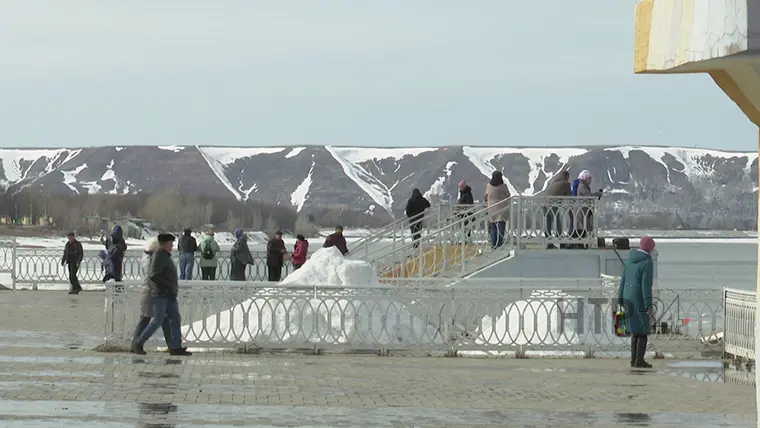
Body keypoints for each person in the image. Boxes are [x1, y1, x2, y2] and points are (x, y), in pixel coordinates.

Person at [133, 233, 191, 356]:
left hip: (169, 295)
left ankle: (175, 347)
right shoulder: (159, 256)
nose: (172, 246)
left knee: (175, 319)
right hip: (161, 294)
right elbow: (153, 275)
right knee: (157, 321)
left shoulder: (165, 255)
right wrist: (167, 285)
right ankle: (139, 343)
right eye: (171, 243)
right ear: (164, 244)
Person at [618, 235, 656, 369]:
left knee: (634, 330)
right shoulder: (647, 262)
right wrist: (648, 306)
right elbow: (646, 286)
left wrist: (620, 298)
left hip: (627, 297)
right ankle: (639, 360)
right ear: (650, 248)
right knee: (643, 331)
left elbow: (622, 280)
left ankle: (633, 359)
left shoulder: (630, 260)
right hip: (638, 298)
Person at [131, 238, 174, 353]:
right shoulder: (151, 260)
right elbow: (153, 276)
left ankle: (172, 345)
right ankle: (136, 344)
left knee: (162, 319)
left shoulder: (148, 258)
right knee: (146, 318)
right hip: (151, 291)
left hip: (152, 290)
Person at [574, 170, 603, 247]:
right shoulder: (583, 187)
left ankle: (582, 244)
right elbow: (589, 196)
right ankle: (580, 244)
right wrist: (598, 194)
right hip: (582, 210)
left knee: (583, 227)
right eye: (589, 178)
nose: (590, 180)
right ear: (585, 179)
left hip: (584, 210)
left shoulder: (583, 186)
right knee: (582, 227)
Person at [544, 171, 572, 249]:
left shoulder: (553, 182)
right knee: (557, 222)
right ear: (566, 177)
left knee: (548, 223)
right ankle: (561, 242)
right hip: (553, 204)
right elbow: (570, 196)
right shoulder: (566, 184)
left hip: (544, 203)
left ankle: (549, 243)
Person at [484, 171, 511, 248]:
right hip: (501, 209)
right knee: (501, 226)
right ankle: (499, 243)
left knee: (493, 227)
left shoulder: (489, 185)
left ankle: (493, 243)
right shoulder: (503, 186)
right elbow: (508, 195)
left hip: (491, 209)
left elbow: (485, 195)